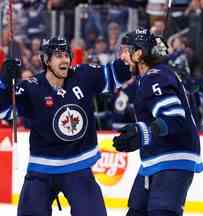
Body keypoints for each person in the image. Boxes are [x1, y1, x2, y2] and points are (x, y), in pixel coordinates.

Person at [0, 37, 130, 216]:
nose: (65, 60)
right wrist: (4, 83)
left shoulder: (82, 75)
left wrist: (133, 56)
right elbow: (3, 111)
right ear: (46, 60)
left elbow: (118, 73)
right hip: (41, 169)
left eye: (67, 55)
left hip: (78, 168)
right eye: (58, 56)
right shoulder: (31, 87)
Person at [113, 28, 203, 216]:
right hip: (157, 158)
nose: (123, 55)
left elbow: (174, 118)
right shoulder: (155, 75)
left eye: (126, 50)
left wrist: (142, 133)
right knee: (136, 211)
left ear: (138, 54)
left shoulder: (155, 76)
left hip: (172, 158)